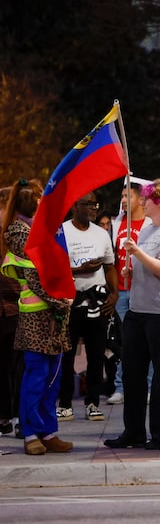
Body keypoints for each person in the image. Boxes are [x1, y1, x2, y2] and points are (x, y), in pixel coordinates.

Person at [104, 179, 160, 451]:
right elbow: (147, 265)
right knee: (132, 374)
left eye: (147, 198)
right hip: (139, 311)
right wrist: (132, 269)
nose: (142, 202)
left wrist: (137, 252)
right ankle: (134, 431)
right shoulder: (147, 229)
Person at [1, 179, 74, 455]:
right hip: (35, 318)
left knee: (52, 378)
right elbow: (34, 275)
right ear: (30, 203)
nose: (44, 202)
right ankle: (30, 433)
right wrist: (60, 301)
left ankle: (49, 431)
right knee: (35, 378)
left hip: (55, 318)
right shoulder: (18, 233)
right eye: (40, 199)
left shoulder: (44, 229)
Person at [56, 192, 119, 423]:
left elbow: (110, 266)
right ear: (74, 206)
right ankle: (64, 403)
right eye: (88, 204)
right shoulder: (62, 232)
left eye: (95, 205)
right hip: (70, 302)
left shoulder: (101, 234)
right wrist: (79, 270)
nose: (93, 209)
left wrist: (114, 294)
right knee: (67, 354)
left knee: (96, 354)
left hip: (97, 301)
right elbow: (53, 269)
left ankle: (92, 402)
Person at [107, 180, 152, 405]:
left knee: (148, 340)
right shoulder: (116, 225)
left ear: (141, 199)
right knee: (127, 342)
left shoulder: (150, 224)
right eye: (122, 196)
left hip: (144, 291)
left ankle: (150, 387)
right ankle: (121, 387)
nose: (123, 200)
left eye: (128, 196)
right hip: (122, 293)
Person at [0, 185, 23, 438]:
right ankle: (5, 416)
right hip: (3, 310)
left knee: (19, 367)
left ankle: (18, 416)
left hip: (17, 308)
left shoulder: (16, 235)